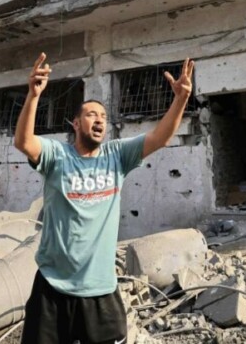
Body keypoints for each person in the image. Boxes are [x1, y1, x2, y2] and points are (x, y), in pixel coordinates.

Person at [14, 52, 195, 344]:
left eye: (103, 117)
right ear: (76, 124)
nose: (99, 120)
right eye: (91, 115)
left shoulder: (117, 155)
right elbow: (23, 142)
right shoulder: (57, 156)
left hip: (100, 288)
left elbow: (160, 138)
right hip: (53, 287)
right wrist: (33, 96)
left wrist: (181, 99)